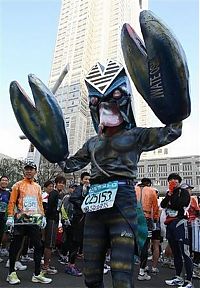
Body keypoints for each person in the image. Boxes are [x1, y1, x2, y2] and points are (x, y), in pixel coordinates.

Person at [6, 161, 52, 285]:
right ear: (23, 171)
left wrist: (42, 216)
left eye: (31, 169)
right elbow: (11, 202)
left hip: (33, 221)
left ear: (35, 171)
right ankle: (11, 273)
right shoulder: (17, 185)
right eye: (26, 169)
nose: (29, 171)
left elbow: (39, 203)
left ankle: (36, 274)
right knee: (16, 246)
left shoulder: (37, 187)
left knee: (38, 246)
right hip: (20, 220)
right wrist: (10, 216)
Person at [161, 173, 193, 288]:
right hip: (169, 224)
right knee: (176, 252)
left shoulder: (183, 192)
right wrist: (169, 195)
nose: (173, 181)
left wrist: (171, 197)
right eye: (171, 180)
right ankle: (178, 277)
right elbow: (163, 204)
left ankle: (189, 280)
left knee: (185, 251)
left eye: (175, 180)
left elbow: (180, 204)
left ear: (179, 182)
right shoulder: (169, 193)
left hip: (180, 222)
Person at [65, 172, 90, 277]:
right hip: (78, 218)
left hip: (84, 218)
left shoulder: (88, 189)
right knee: (75, 242)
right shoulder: (80, 188)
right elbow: (73, 198)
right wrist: (83, 205)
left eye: (89, 179)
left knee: (79, 242)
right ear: (81, 180)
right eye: (85, 179)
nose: (87, 181)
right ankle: (70, 266)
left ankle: (72, 264)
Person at [135, 178, 159, 280]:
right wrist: (155, 219)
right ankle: (141, 272)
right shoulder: (151, 191)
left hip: (133, 218)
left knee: (133, 242)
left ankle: (130, 267)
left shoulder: (133, 189)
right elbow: (156, 207)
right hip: (146, 218)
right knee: (145, 244)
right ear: (148, 184)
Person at [42, 175, 66, 274]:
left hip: (55, 220)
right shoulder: (53, 194)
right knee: (49, 244)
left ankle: (47, 263)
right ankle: (45, 267)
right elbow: (49, 208)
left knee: (51, 244)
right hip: (51, 220)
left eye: (63, 183)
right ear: (56, 184)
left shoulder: (60, 195)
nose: (61, 185)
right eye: (59, 183)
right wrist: (46, 218)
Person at [59, 182, 77, 264]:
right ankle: (63, 255)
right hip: (66, 220)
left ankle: (66, 254)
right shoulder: (67, 197)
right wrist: (66, 219)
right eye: (72, 188)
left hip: (73, 221)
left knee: (70, 239)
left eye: (75, 188)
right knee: (66, 238)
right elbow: (63, 209)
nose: (74, 189)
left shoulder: (75, 197)